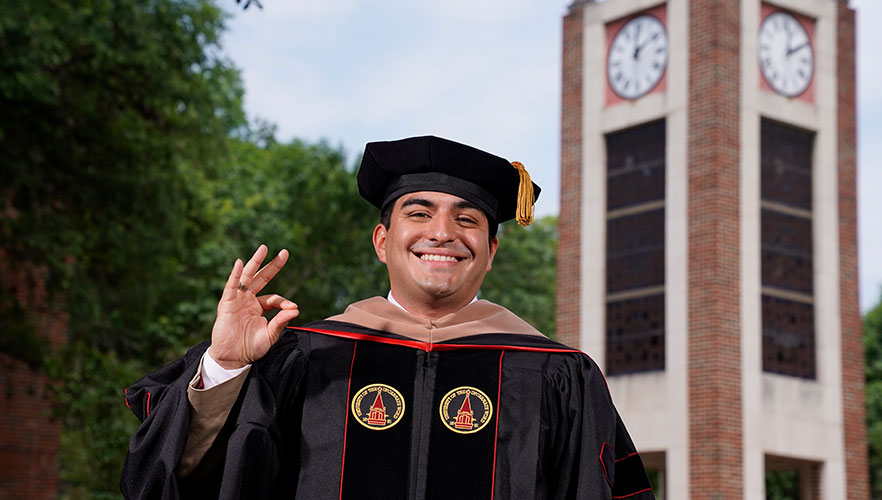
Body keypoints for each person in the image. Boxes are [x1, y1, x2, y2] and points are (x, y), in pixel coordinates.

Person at [120, 136, 653, 500]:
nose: (442, 233)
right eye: (419, 213)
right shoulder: (302, 359)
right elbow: (172, 483)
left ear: (490, 251)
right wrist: (226, 367)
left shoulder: (556, 375)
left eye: (467, 219)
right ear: (382, 241)